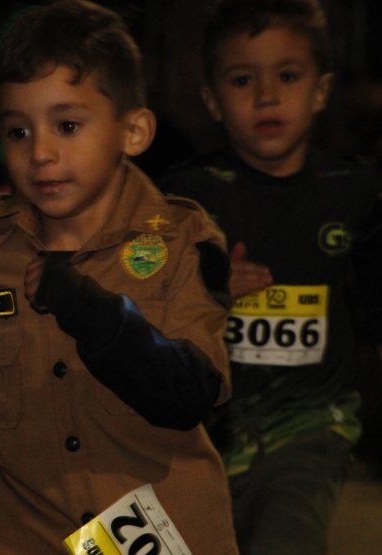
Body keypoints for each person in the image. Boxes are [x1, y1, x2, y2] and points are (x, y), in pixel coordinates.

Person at [0, 1, 238, 553]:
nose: (40, 152)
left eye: (67, 125)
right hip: (25, 536)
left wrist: (93, 310)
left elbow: (188, 394)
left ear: (133, 131)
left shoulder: (178, 239)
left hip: (168, 532)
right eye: (17, 131)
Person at [157, 0, 382, 553]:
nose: (266, 95)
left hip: (311, 423)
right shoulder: (182, 196)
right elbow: (136, 283)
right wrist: (205, 284)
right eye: (241, 79)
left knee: (288, 540)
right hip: (197, 437)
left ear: (322, 91)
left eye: (287, 75)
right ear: (211, 99)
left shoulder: (357, 189)